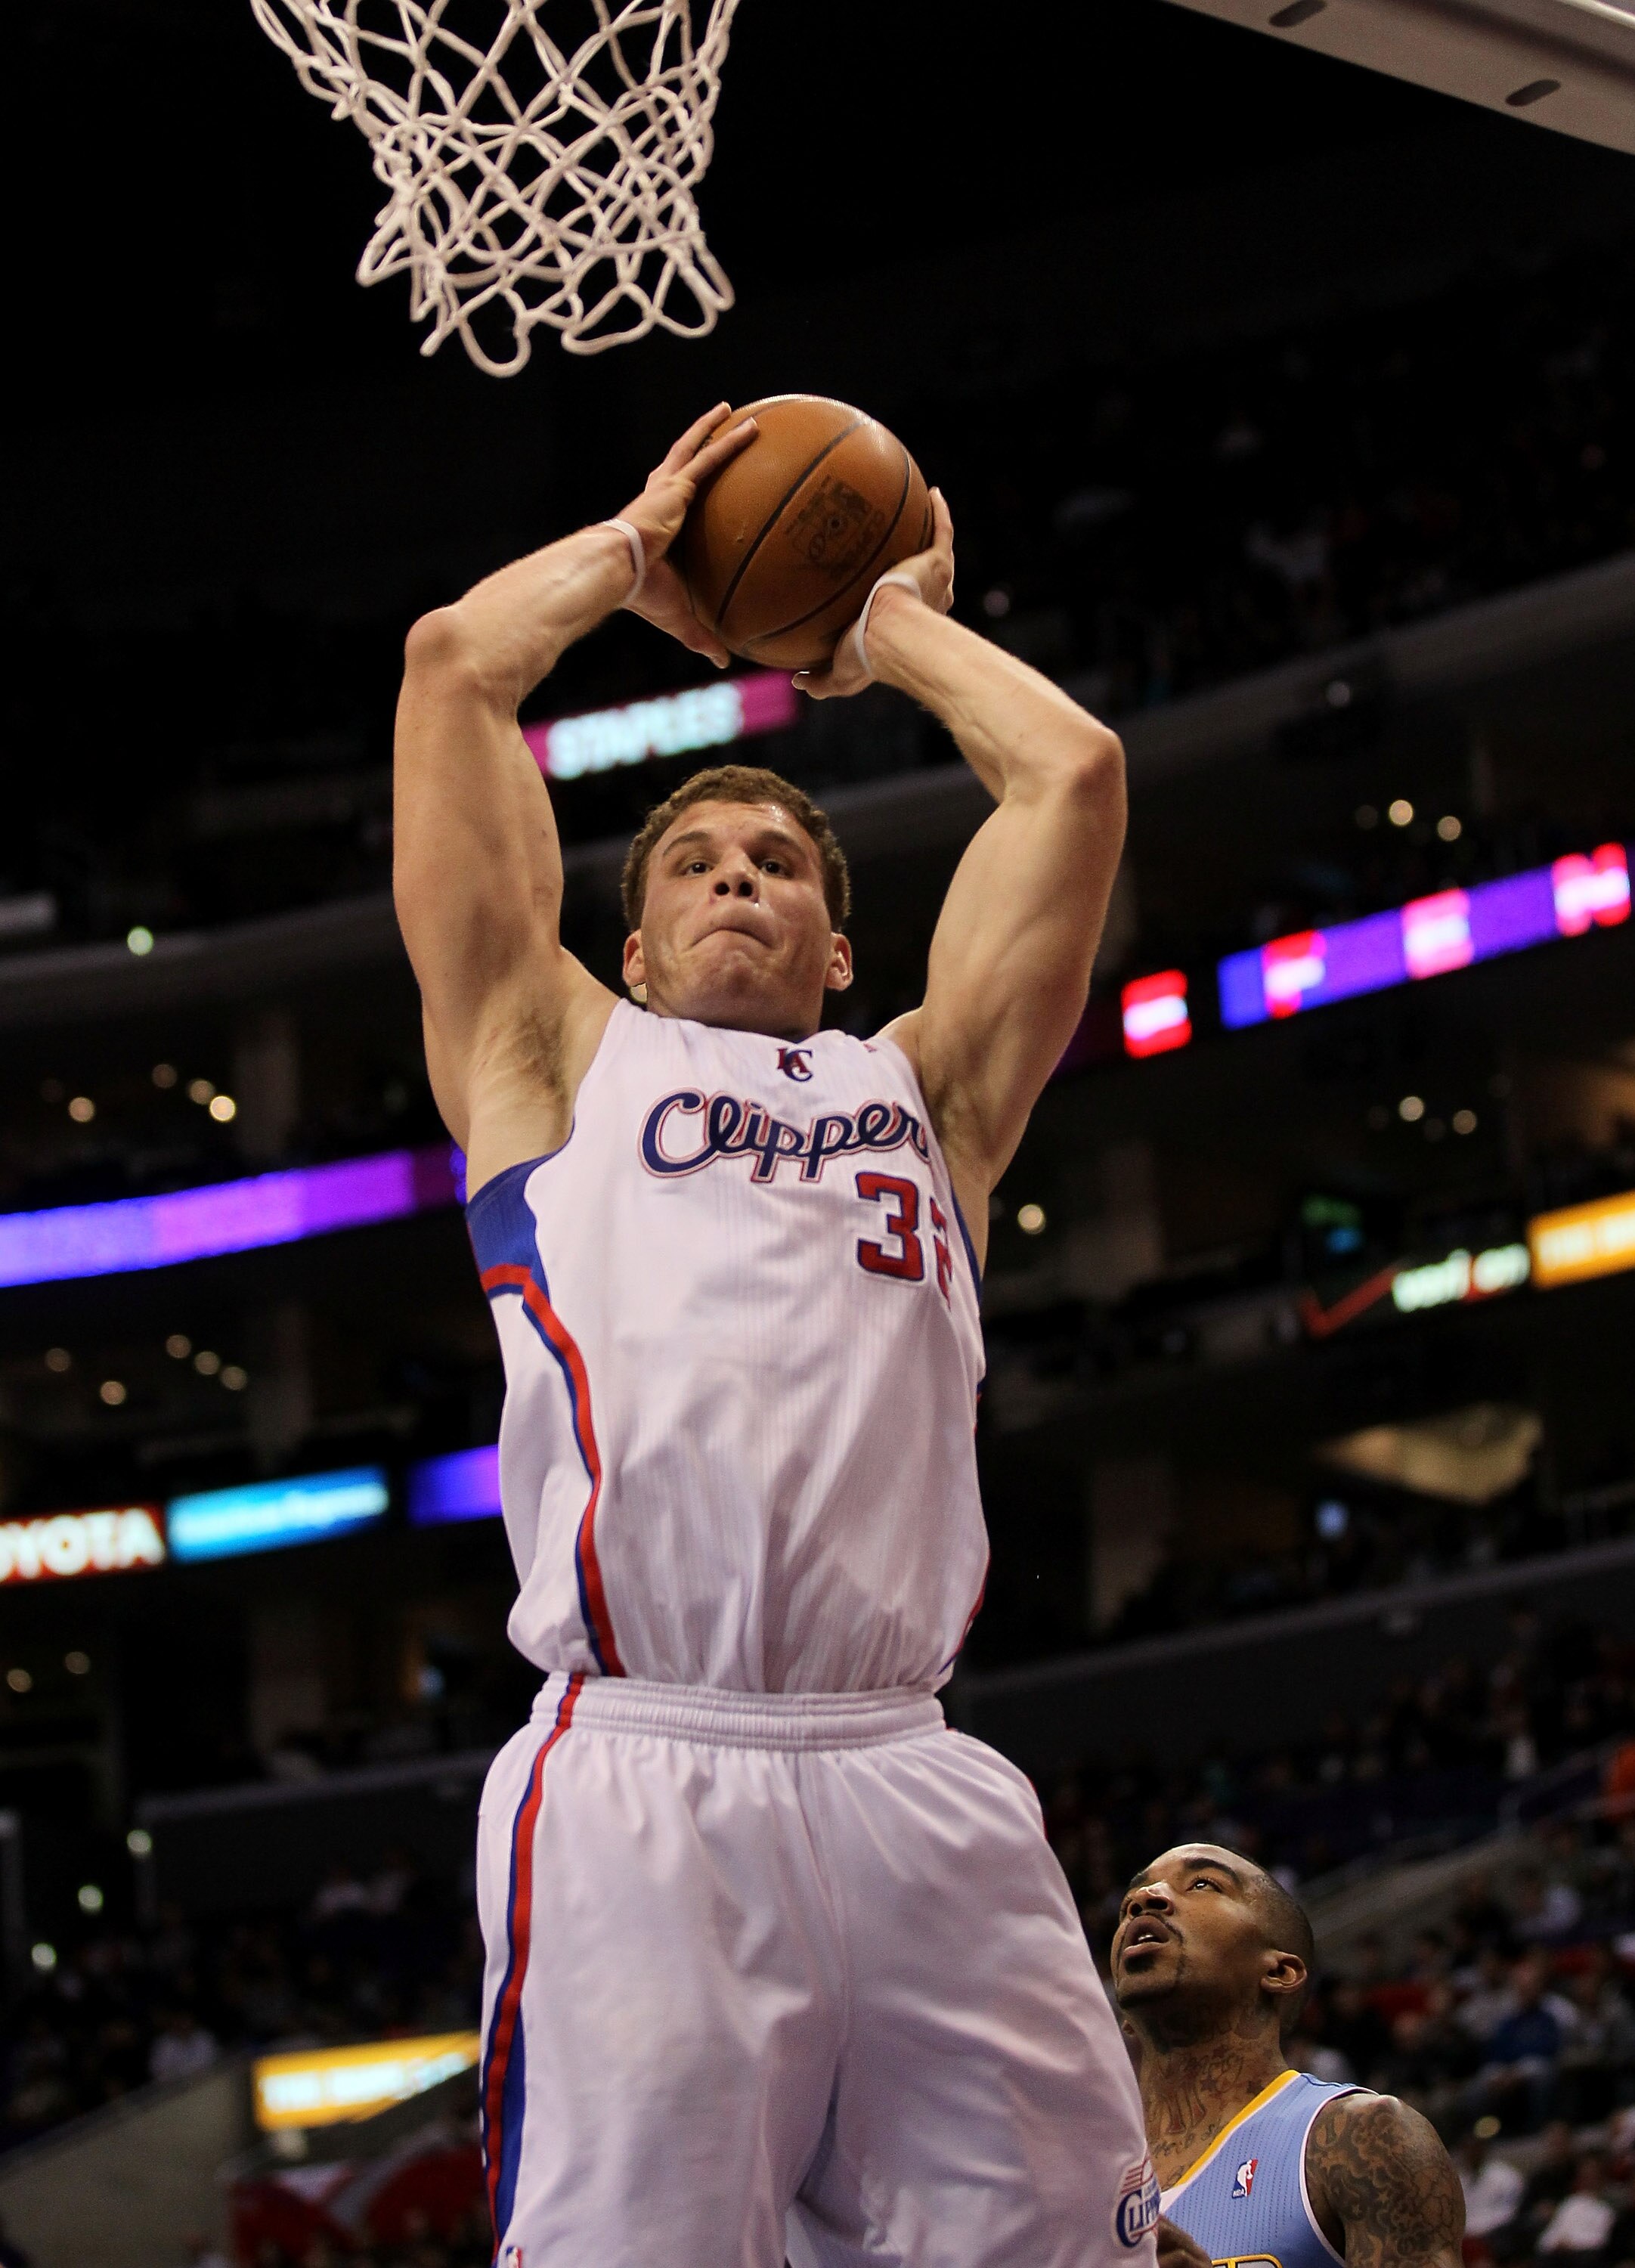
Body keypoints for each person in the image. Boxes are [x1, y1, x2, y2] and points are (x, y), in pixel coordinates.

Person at [394, 403, 1141, 2268]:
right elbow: (456, 667)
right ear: (629, 950)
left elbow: (1070, 774)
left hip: (915, 1769)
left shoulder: (934, 1092)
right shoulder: (550, 1054)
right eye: (695, 864)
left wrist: (880, 626)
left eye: (782, 863)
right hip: (647, 1767)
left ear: (839, 946)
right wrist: (647, 556)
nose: (739, 875)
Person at [1111, 1842, 1465, 2268]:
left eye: (1203, 1885)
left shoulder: (1360, 2136)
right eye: (1135, 1896)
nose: (1144, 1899)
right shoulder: (1076, 2179)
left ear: (1279, 1972)